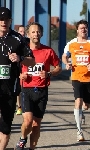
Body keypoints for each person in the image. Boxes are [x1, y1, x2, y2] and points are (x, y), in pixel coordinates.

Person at [14, 22, 61, 150]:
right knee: (28, 121)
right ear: (28, 34)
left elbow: (58, 68)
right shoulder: (23, 50)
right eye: (33, 32)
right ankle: (23, 138)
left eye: (38, 31)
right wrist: (20, 75)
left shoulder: (48, 51)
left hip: (42, 91)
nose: (36, 34)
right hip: (27, 90)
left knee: (36, 124)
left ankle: (32, 148)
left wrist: (49, 73)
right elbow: (14, 67)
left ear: (42, 33)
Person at [0, 7, 35, 150]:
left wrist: (20, 58)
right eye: (1, 19)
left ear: (10, 21)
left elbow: (32, 60)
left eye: (6, 19)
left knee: (5, 126)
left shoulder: (18, 39)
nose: (3, 22)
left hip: (10, 88)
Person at [62, 20, 90, 141]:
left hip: (89, 77)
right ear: (77, 30)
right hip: (76, 77)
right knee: (78, 101)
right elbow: (64, 55)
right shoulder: (71, 43)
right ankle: (79, 131)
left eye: (85, 28)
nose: (83, 30)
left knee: (86, 105)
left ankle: (82, 112)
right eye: (81, 28)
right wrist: (67, 63)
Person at [15, 25, 25, 115]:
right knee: (17, 88)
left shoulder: (26, 42)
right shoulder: (14, 42)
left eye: (24, 32)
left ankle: (20, 106)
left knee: (20, 89)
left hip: (24, 67)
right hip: (15, 67)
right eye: (21, 31)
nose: (22, 33)